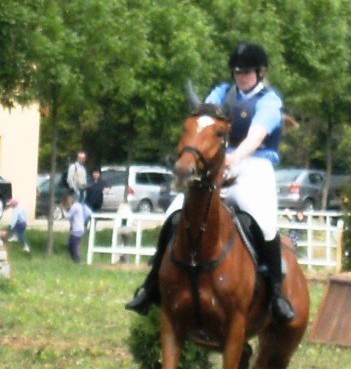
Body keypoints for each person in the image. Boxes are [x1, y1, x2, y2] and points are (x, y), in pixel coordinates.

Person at [125, 41, 296, 324]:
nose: (241, 77)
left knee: (263, 222)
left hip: (255, 165)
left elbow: (255, 136)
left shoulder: (269, 100)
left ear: (259, 72)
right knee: (174, 213)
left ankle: (276, 293)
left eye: (247, 72)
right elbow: (204, 125)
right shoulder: (221, 92)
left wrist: (235, 158)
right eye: (237, 72)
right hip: (215, 164)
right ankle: (152, 284)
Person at [66, 192, 93, 265]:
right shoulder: (82, 206)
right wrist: (84, 220)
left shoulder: (75, 206)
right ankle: (76, 260)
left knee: (73, 244)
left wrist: (62, 211)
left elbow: (68, 215)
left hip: (76, 228)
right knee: (74, 243)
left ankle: (77, 260)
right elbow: (90, 213)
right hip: (81, 227)